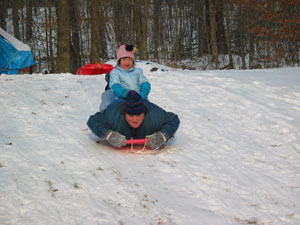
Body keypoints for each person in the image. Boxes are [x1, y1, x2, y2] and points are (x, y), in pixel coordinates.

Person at [89, 90, 180, 150]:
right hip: (116, 103)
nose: (135, 119)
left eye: (139, 115)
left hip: (145, 103)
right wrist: (108, 134)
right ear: (124, 114)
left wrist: (163, 135)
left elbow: (174, 119)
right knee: (106, 102)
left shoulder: (155, 115)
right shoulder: (112, 115)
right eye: (131, 115)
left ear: (144, 112)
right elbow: (92, 121)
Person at [100, 44, 151, 111]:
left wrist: (143, 93)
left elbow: (145, 82)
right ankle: (106, 115)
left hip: (139, 97)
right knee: (112, 108)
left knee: (149, 109)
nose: (127, 62)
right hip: (121, 98)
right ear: (119, 61)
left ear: (133, 61)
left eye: (129, 59)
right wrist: (126, 94)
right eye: (124, 59)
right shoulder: (115, 72)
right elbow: (115, 85)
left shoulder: (138, 72)